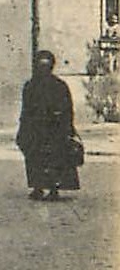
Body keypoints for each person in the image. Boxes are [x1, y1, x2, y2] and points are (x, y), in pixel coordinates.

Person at [16, 49, 80, 201]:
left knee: (45, 158)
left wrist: (68, 127)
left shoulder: (33, 85)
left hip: (48, 129)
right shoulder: (54, 85)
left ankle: (48, 188)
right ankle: (44, 188)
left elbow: (66, 109)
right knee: (41, 158)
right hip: (45, 129)